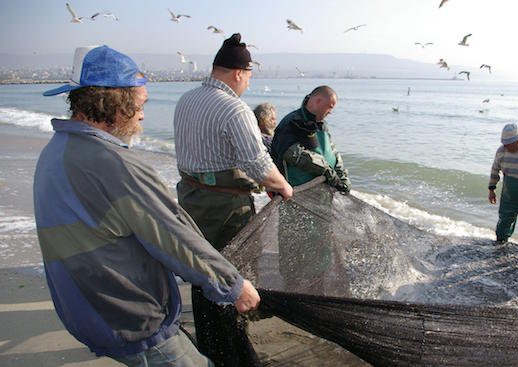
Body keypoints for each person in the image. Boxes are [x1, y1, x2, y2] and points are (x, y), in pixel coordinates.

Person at [34, 45, 260, 366]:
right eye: (140, 105)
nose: (142, 115)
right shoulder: (114, 164)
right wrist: (233, 286)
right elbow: (173, 235)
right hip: (128, 317)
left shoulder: (57, 149)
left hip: (82, 308)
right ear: (115, 103)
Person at [173, 33, 293, 367]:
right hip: (225, 208)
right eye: (249, 77)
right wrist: (283, 187)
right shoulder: (235, 109)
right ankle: (229, 350)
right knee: (230, 274)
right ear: (239, 73)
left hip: (190, 199)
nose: (248, 86)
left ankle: (211, 342)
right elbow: (258, 164)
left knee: (202, 269)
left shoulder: (186, 100)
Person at [270, 85, 350, 192]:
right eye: (330, 107)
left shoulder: (322, 125)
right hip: (296, 191)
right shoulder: (290, 123)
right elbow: (292, 154)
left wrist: (342, 176)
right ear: (318, 101)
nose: (331, 112)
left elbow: (332, 151)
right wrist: (326, 170)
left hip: (322, 190)